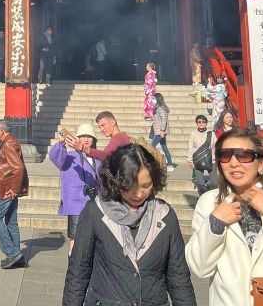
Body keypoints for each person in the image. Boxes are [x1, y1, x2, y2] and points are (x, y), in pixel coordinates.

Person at [186, 128, 263, 306]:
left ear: (260, 164)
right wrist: (215, 223)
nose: (233, 163)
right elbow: (199, 268)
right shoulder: (209, 203)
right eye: (225, 155)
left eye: (243, 156)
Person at [63, 144, 196, 306]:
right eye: (130, 186)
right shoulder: (95, 213)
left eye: (146, 186)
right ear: (115, 181)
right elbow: (78, 273)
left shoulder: (165, 216)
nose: (139, 194)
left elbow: (179, 278)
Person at [48, 123, 100, 254]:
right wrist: (61, 143)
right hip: (76, 204)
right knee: (75, 241)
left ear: (94, 140)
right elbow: (54, 156)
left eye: (89, 136)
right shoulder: (69, 157)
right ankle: (73, 266)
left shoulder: (98, 158)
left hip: (94, 203)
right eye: (83, 136)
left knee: (93, 240)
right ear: (77, 138)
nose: (86, 139)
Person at [0, 119, 28, 269]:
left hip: (6, 189)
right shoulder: (7, 142)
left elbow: (18, 169)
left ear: (1, 131)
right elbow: (5, 167)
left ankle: (12, 252)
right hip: (4, 185)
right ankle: (17, 256)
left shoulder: (9, 143)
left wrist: (15, 190)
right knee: (10, 221)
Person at [188, 114, 217, 196]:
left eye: (203, 122)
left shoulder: (211, 134)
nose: (201, 123)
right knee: (200, 183)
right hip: (198, 161)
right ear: (196, 123)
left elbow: (216, 146)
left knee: (214, 183)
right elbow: (191, 147)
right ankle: (202, 197)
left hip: (211, 160)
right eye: (199, 122)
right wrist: (190, 160)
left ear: (206, 123)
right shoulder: (193, 134)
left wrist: (217, 157)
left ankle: (211, 197)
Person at [151, 92, 175, 172]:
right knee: (164, 147)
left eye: (154, 98)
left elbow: (164, 119)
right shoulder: (158, 107)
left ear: (158, 99)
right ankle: (170, 164)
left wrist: (161, 130)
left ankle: (154, 163)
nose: (153, 100)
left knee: (151, 147)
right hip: (159, 131)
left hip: (160, 132)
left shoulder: (160, 108)